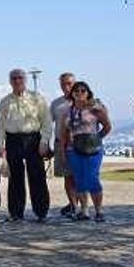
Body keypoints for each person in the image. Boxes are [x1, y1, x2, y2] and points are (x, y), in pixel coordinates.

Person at [0, 69, 52, 223]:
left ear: (25, 80)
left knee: (37, 175)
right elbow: (0, 125)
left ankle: (41, 211)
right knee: (15, 177)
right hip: (13, 139)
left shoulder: (37, 98)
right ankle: (16, 212)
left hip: (33, 139)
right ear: (10, 81)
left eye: (20, 78)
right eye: (13, 78)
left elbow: (46, 122)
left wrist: (44, 141)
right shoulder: (5, 101)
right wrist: (0, 144)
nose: (17, 80)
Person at [60, 82, 111, 222]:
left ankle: (99, 210)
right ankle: (84, 210)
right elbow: (63, 133)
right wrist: (63, 152)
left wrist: (97, 138)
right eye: (76, 91)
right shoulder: (68, 112)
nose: (80, 93)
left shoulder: (96, 109)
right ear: (72, 94)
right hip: (74, 149)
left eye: (83, 90)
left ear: (88, 93)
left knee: (93, 178)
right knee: (80, 180)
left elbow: (107, 126)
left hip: (93, 149)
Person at [51, 73, 78, 218]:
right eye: (63, 84)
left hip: (79, 145)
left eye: (69, 83)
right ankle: (73, 205)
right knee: (67, 177)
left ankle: (80, 205)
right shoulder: (56, 103)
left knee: (79, 177)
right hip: (60, 144)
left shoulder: (84, 101)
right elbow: (48, 124)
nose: (66, 87)